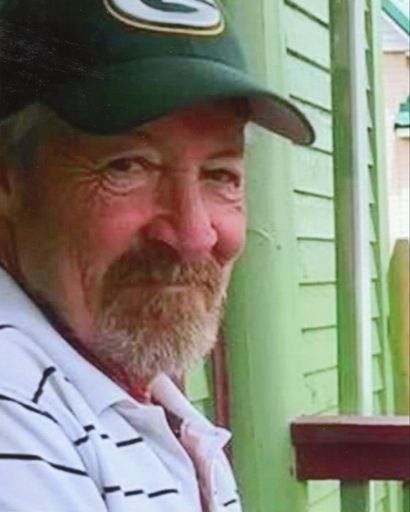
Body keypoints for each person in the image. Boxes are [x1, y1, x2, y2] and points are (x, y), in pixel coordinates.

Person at [0, 0, 314, 511]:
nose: (192, 234)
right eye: (127, 166)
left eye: (220, 175)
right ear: (8, 178)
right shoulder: (13, 409)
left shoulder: (142, 401)